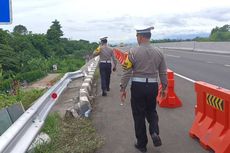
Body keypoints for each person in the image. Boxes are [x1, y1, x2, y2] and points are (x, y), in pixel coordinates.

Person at [120, 26, 167, 152]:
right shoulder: (159, 52)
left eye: (137, 36)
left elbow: (126, 71)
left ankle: (141, 144)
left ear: (140, 37)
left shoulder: (133, 52)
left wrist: (122, 88)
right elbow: (163, 72)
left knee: (138, 115)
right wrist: (164, 87)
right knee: (151, 110)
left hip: (138, 87)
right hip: (153, 86)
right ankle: (154, 132)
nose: (137, 38)